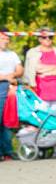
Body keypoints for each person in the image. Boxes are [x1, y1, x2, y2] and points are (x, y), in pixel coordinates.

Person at [24, 30, 56, 105]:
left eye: (50, 37)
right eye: (44, 37)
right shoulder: (32, 52)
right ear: (39, 39)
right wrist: (55, 67)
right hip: (39, 93)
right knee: (42, 116)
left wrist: (45, 72)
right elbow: (37, 69)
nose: (48, 39)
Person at [0, 30, 23, 160]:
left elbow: (20, 69)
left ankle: (8, 151)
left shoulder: (12, 54)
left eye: (7, 39)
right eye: (3, 38)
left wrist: (13, 75)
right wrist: (5, 77)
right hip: (2, 85)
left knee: (8, 120)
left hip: (10, 88)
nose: (6, 41)